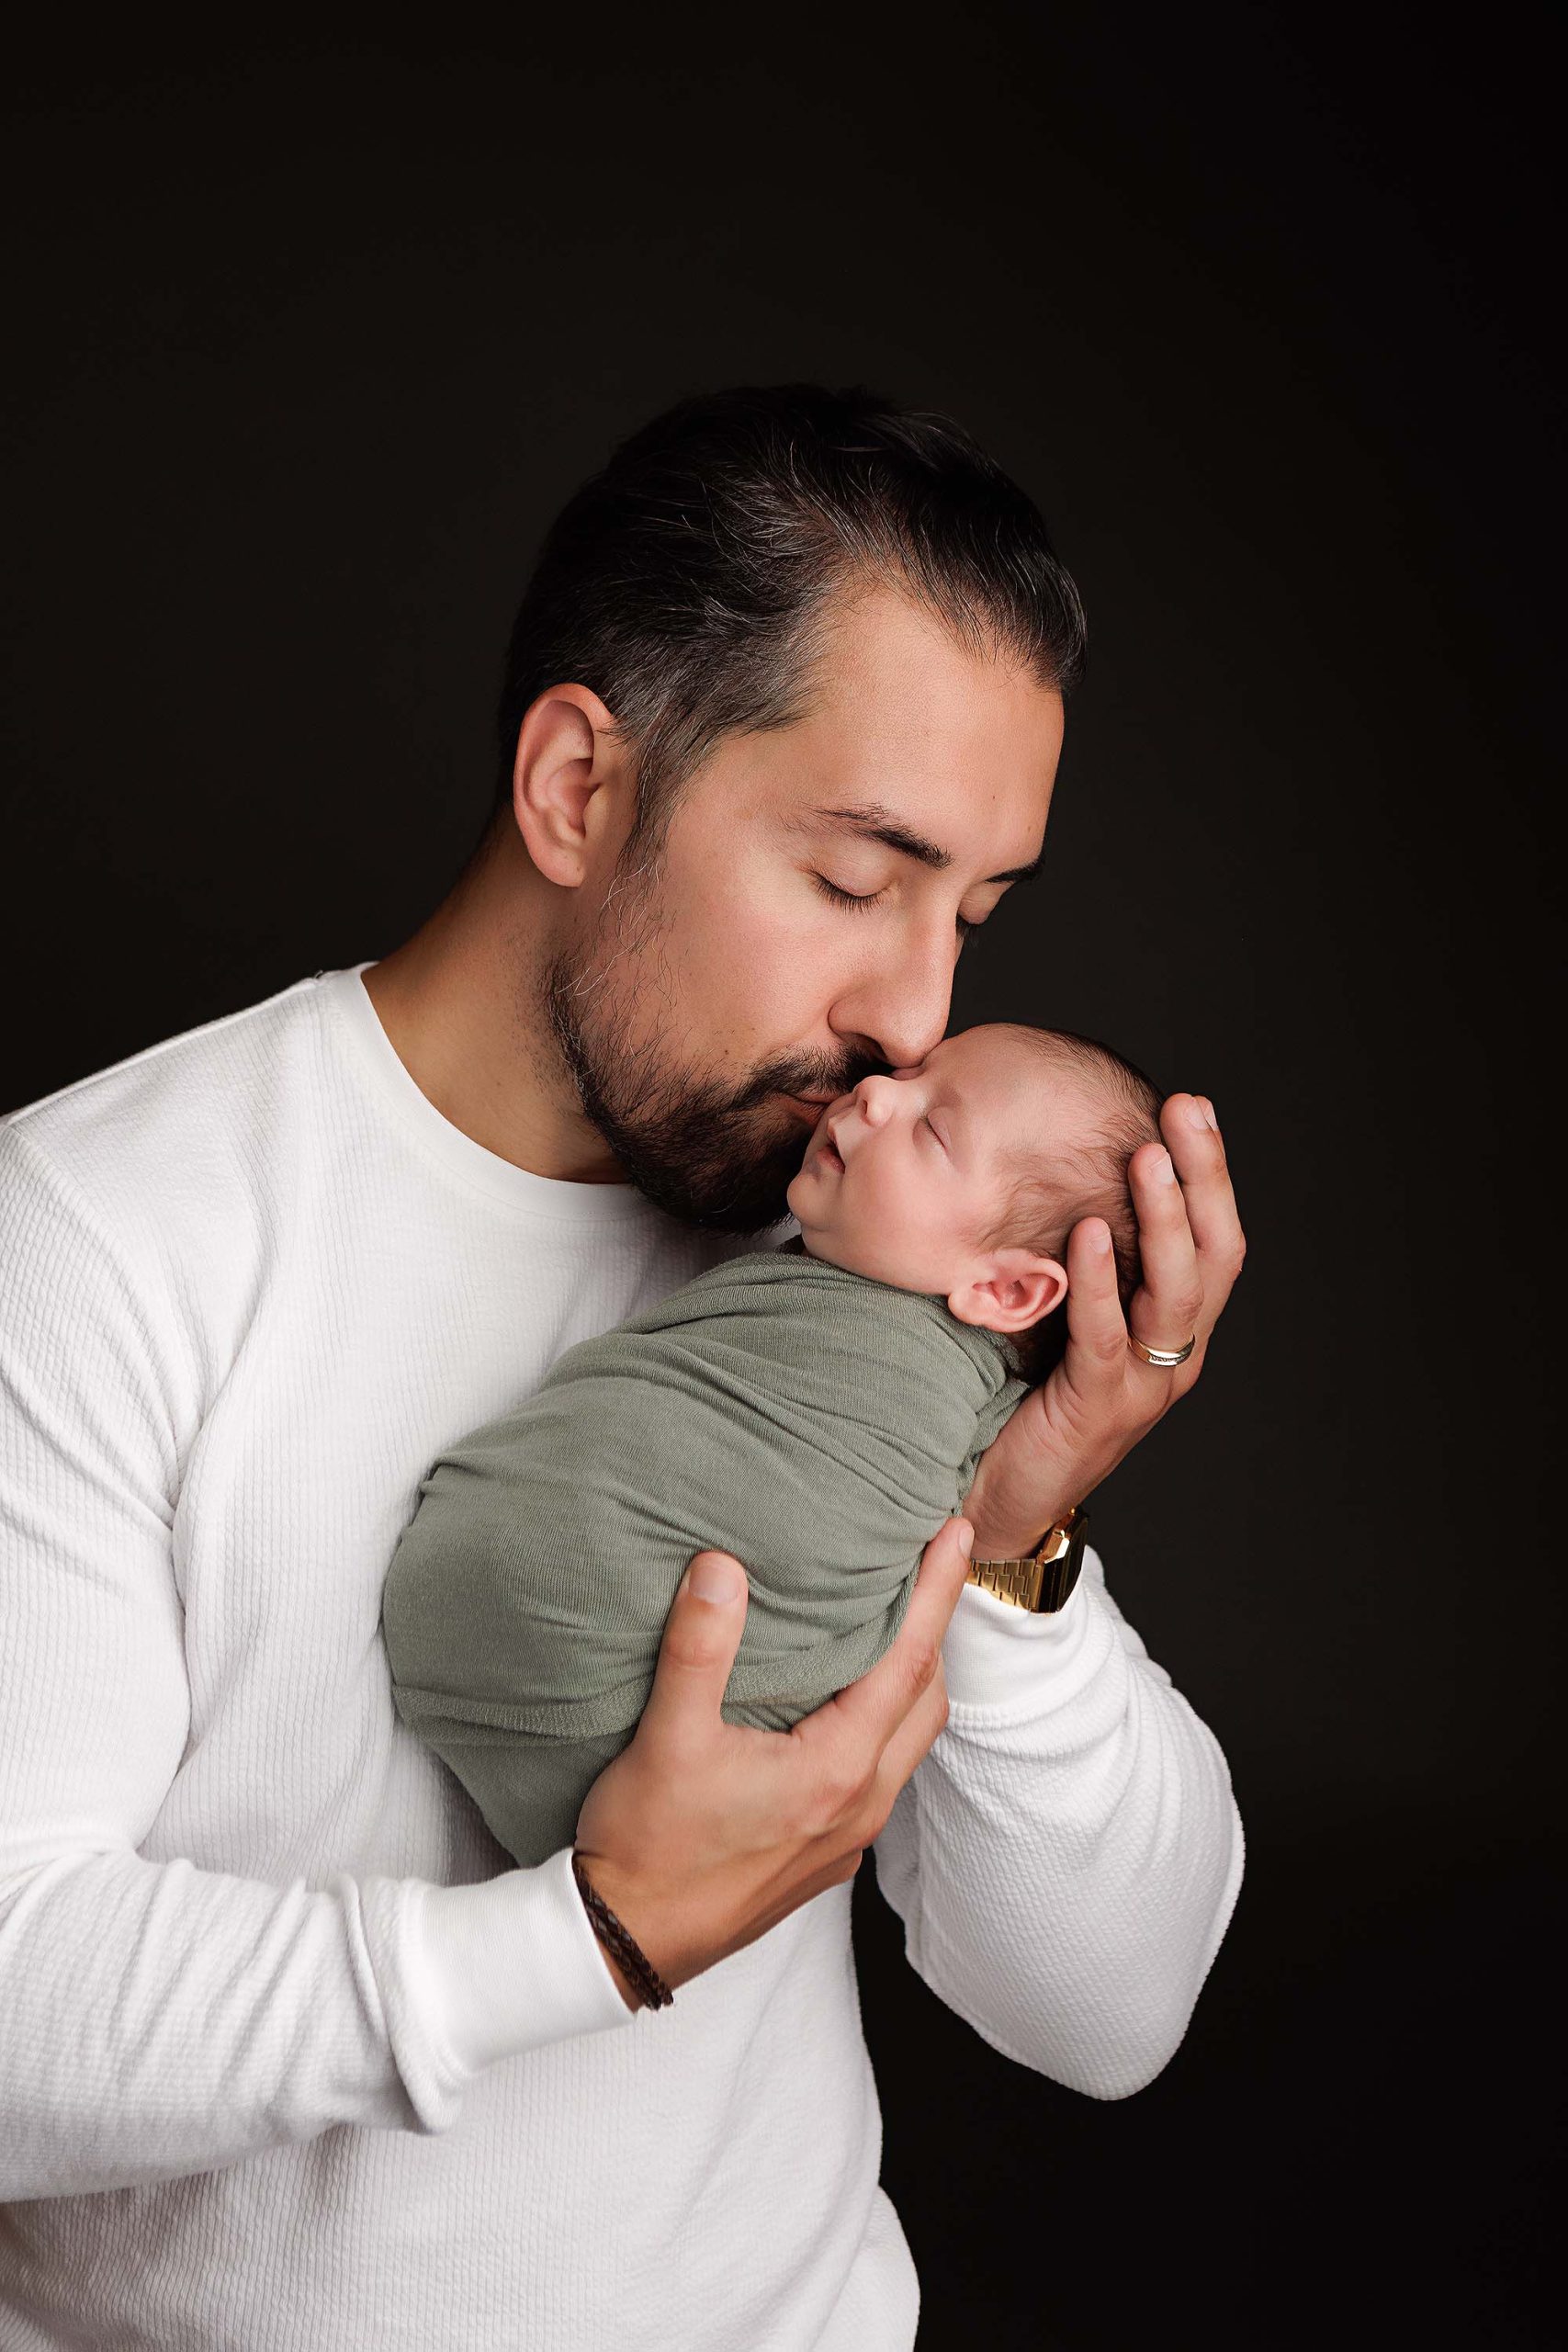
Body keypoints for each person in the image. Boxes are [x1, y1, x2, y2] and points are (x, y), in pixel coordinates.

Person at [0, 384, 1247, 2351]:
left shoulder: (855, 1241)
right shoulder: (93, 1235)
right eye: (856, 880)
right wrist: (577, 1938)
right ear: (581, 784)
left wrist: (1015, 1546)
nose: (916, 1013)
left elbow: (1107, 2011)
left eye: (974, 913)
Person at [382, 1023, 1163, 1875]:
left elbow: (1109, 1997)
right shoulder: (800, 1248)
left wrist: (1004, 1542)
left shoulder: (925, 1405)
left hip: (617, 1746)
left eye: (931, 1127)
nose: (875, 1091)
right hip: (556, 1706)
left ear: (1005, 1289)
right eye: (910, 1075)